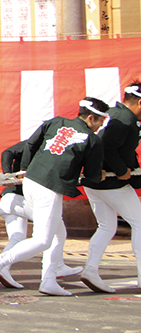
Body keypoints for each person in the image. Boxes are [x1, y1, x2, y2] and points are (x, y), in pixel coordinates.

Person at [0, 98, 107, 296]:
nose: (102, 124)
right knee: (42, 240)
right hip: (49, 187)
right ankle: (0, 260)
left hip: (31, 181)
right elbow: (93, 175)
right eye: (101, 120)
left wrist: (25, 168)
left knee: (58, 231)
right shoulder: (92, 139)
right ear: (91, 117)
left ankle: (49, 279)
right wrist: (99, 175)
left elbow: (30, 145)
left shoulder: (56, 122)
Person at [0, 140, 84, 290]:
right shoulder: (39, 145)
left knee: (17, 238)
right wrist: (8, 173)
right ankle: (54, 268)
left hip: (7, 200)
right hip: (20, 198)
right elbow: (8, 152)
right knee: (56, 229)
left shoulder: (45, 147)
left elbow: (7, 152)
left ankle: (2, 268)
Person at [80, 82, 141, 293]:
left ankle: (90, 270)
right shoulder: (125, 120)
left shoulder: (113, 113)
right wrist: (122, 169)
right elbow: (107, 147)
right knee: (140, 223)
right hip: (111, 181)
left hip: (94, 180)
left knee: (106, 226)